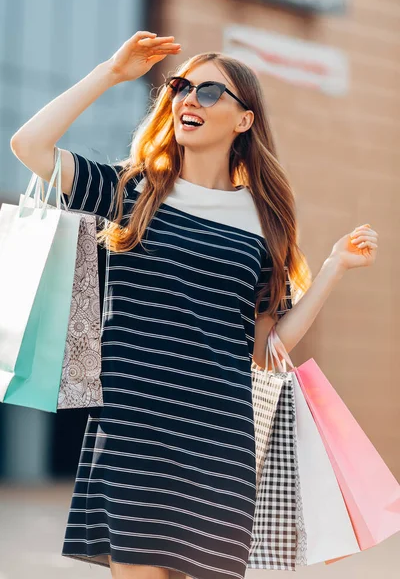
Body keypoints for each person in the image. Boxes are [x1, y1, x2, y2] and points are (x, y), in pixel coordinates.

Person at [10, 31, 378, 579]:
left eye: (210, 93)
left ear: (244, 121)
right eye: (182, 87)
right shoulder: (130, 192)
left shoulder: (265, 223)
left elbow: (264, 349)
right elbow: (29, 145)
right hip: (134, 429)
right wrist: (113, 72)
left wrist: (331, 269)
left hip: (218, 441)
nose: (189, 99)